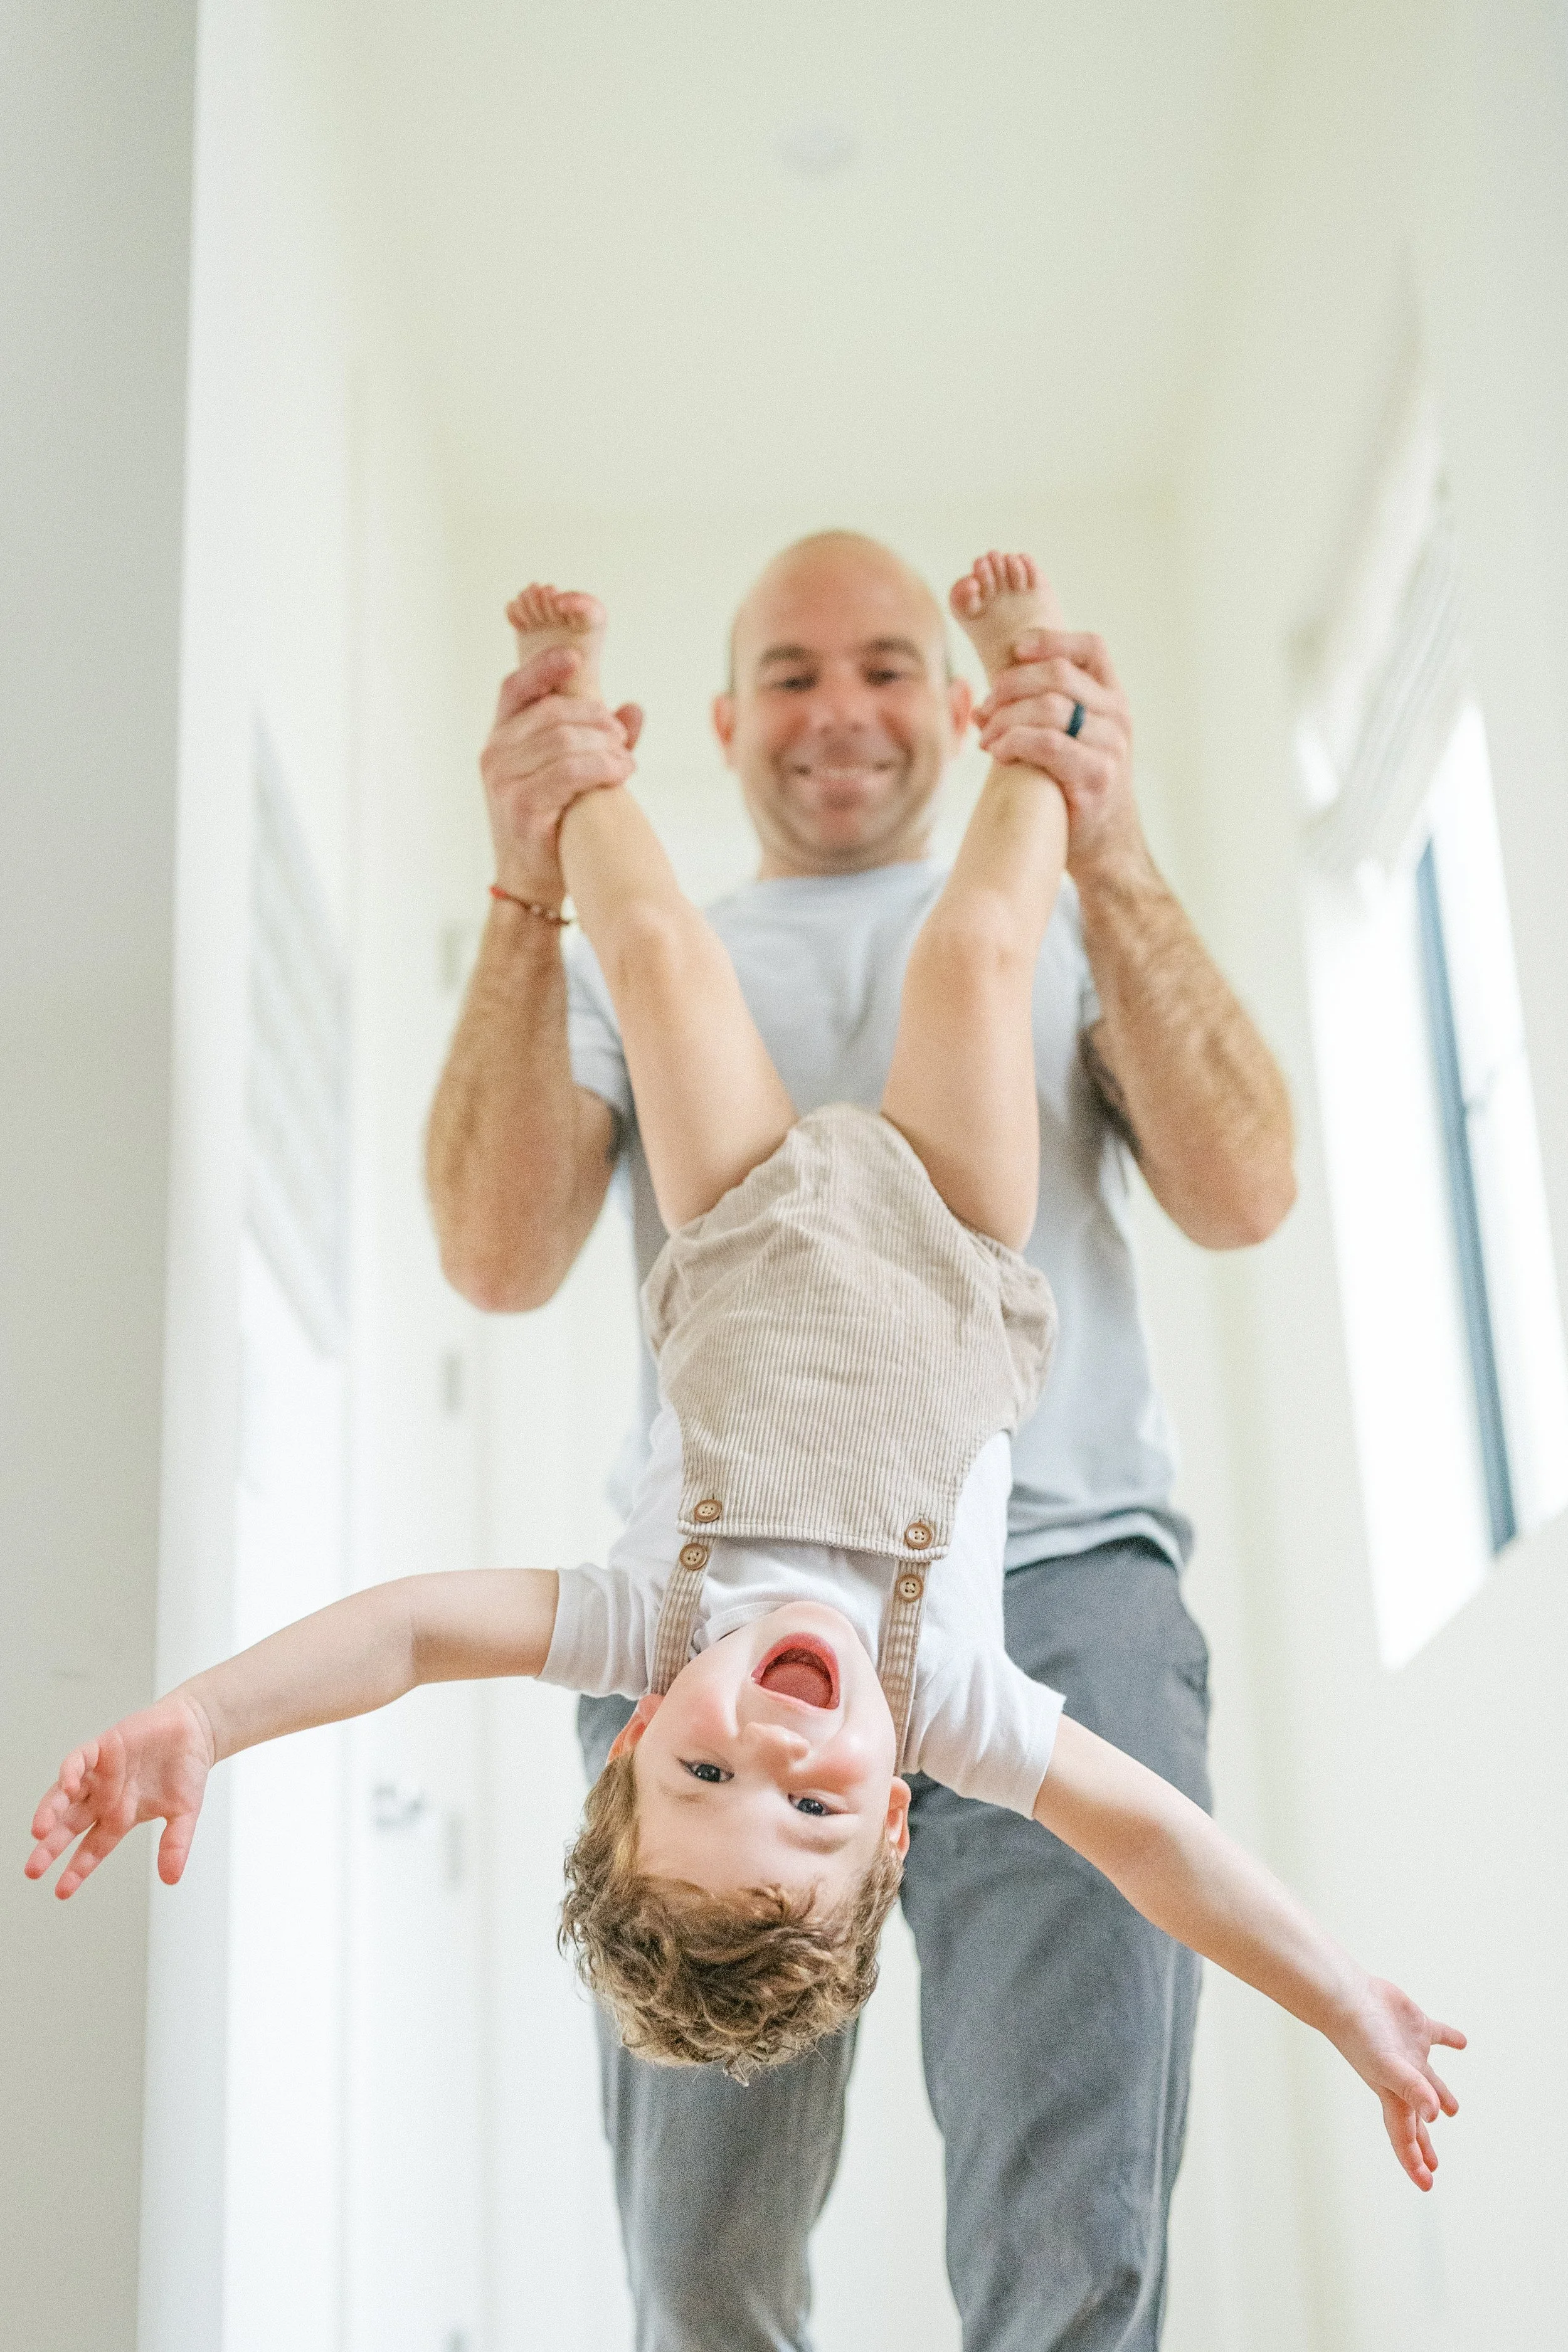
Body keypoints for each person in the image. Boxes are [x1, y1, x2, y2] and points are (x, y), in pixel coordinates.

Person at [28, 561, 1463, 2198]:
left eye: (706, 1774)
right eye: (812, 1804)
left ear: (633, 1734)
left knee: (648, 952)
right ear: (896, 1816)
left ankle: (562, 721)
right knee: (978, 958)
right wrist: (1343, 1996)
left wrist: (206, 1710)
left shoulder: (649, 1619)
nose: (772, 1749)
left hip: (737, 1224)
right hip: (950, 1233)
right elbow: (1160, 1851)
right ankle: (1034, 698)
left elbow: (412, 1632)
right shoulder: (956, 1705)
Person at [425, 529, 1295, 2349]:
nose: (842, 713)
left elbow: (1243, 1192)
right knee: (698, 2246)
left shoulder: (1052, 906)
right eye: (798, 678)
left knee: (1073, 2227)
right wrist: (528, 887)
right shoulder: (637, 954)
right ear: (729, 723)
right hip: (717, 1634)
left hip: (1059, 1602)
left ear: (958, 702)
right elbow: (495, 1258)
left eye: (887, 667)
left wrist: (1100, 829)